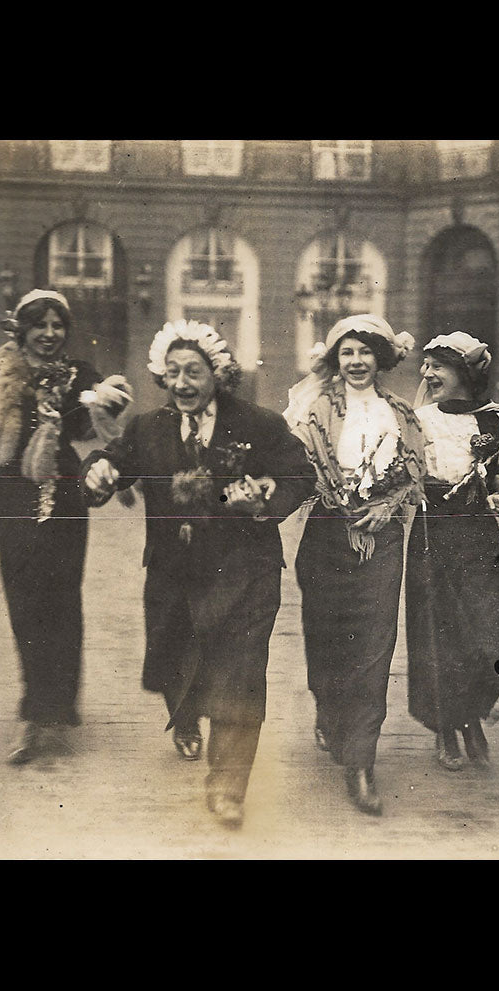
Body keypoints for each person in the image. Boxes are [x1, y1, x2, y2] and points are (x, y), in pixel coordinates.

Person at [82, 319, 314, 829]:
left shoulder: (259, 424)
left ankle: (229, 786)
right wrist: (98, 473)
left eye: (193, 372)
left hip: (245, 573)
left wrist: (264, 496)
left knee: (240, 675)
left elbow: (300, 474)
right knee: (177, 659)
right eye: (173, 373)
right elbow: (111, 462)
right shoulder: (149, 428)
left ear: (219, 373)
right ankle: (185, 719)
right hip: (174, 574)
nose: (182, 383)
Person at [0, 289, 132, 765]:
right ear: (22, 330)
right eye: (39, 325)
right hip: (16, 490)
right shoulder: (5, 371)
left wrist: (101, 400)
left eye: (57, 325)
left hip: (65, 491)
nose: (49, 334)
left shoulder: (80, 372)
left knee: (62, 594)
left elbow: (103, 420)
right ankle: (33, 706)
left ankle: (58, 702)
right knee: (24, 597)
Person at [284, 315, 424, 816]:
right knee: (326, 638)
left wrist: (389, 505)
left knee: (373, 646)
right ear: (335, 360)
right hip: (326, 536)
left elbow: (413, 475)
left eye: (366, 352)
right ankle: (328, 707)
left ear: (381, 359)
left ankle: (361, 760)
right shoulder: (316, 411)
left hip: (382, 540)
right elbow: (297, 468)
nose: (357, 361)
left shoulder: (402, 413)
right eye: (348, 352)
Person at [405, 332, 499, 771]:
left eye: (438, 366)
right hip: (431, 536)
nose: (427, 374)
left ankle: (474, 715)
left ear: (465, 373)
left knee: (485, 632)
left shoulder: (496, 421)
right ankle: (446, 728)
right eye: (425, 366)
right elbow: (404, 475)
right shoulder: (418, 419)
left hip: (478, 537)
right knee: (438, 633)